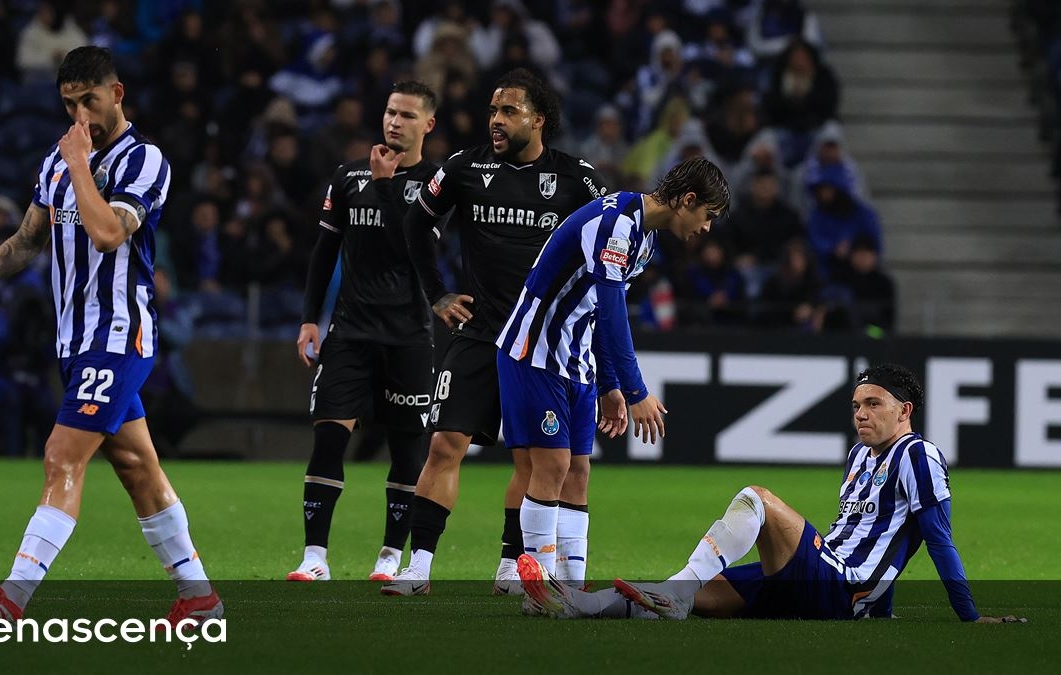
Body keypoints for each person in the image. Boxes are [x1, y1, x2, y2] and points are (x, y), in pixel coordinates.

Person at [0, 46, 221, 626]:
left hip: (118, 334)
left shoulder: (142, 160)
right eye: (69, 105)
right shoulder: (57, 158)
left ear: (116, 94)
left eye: (89, 102)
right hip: (75, 341)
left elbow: (105, 235)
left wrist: (79, 163)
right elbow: (29, 238)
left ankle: (12, 599)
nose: (81, 118)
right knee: (137, 468)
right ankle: (199, 597)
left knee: (60, 457)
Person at [518, 364, 1028, 625]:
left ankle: (672, 592)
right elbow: (877, 538)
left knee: (756, 498)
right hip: (827, 582)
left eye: (874, 404)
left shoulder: (918, 455)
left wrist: (970, 614)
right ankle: (578, 606)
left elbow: (936, 539)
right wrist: (879, 608)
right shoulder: (859, 457)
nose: (861, 414)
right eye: (856, 405)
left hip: (835, 583)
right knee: (694, 596)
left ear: (906, 411)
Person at [383, 68, 609, 596]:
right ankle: (419, 566)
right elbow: (416, 225)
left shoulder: (578, 180)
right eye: (492, 111)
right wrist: (436, 292)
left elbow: (608, 257)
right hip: (481, 334)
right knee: (443, 445)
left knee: (530, 459)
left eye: (508, 111)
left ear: (539, 119)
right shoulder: (465, 167)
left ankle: (512, 562)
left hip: (541, 344)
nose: (496, 121)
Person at [497, 157, 729, 589]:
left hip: (576, 359)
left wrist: (609, 385)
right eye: (708, 216)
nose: (707, 228)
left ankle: (571, 586)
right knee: (553, 464)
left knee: (578, 472)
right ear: (688, 200)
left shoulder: (645, 239)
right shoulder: (616, 224)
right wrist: (636, 388)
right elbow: (612, 310)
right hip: (534, 351)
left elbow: (598, 314)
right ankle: (539, 585)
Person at [287, 81, 441, 583]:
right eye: (390, 112)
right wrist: (312, 317)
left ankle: (389, 556)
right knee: (329, 440)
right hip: (350, 331)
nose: (395, 122)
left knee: (407, 450)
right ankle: (314, 557)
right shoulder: (347, 175)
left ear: (428, 125)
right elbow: (323, 252)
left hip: (410, 334)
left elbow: (417, 249)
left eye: (408, 116)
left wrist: (388, 186)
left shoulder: (439, 183)